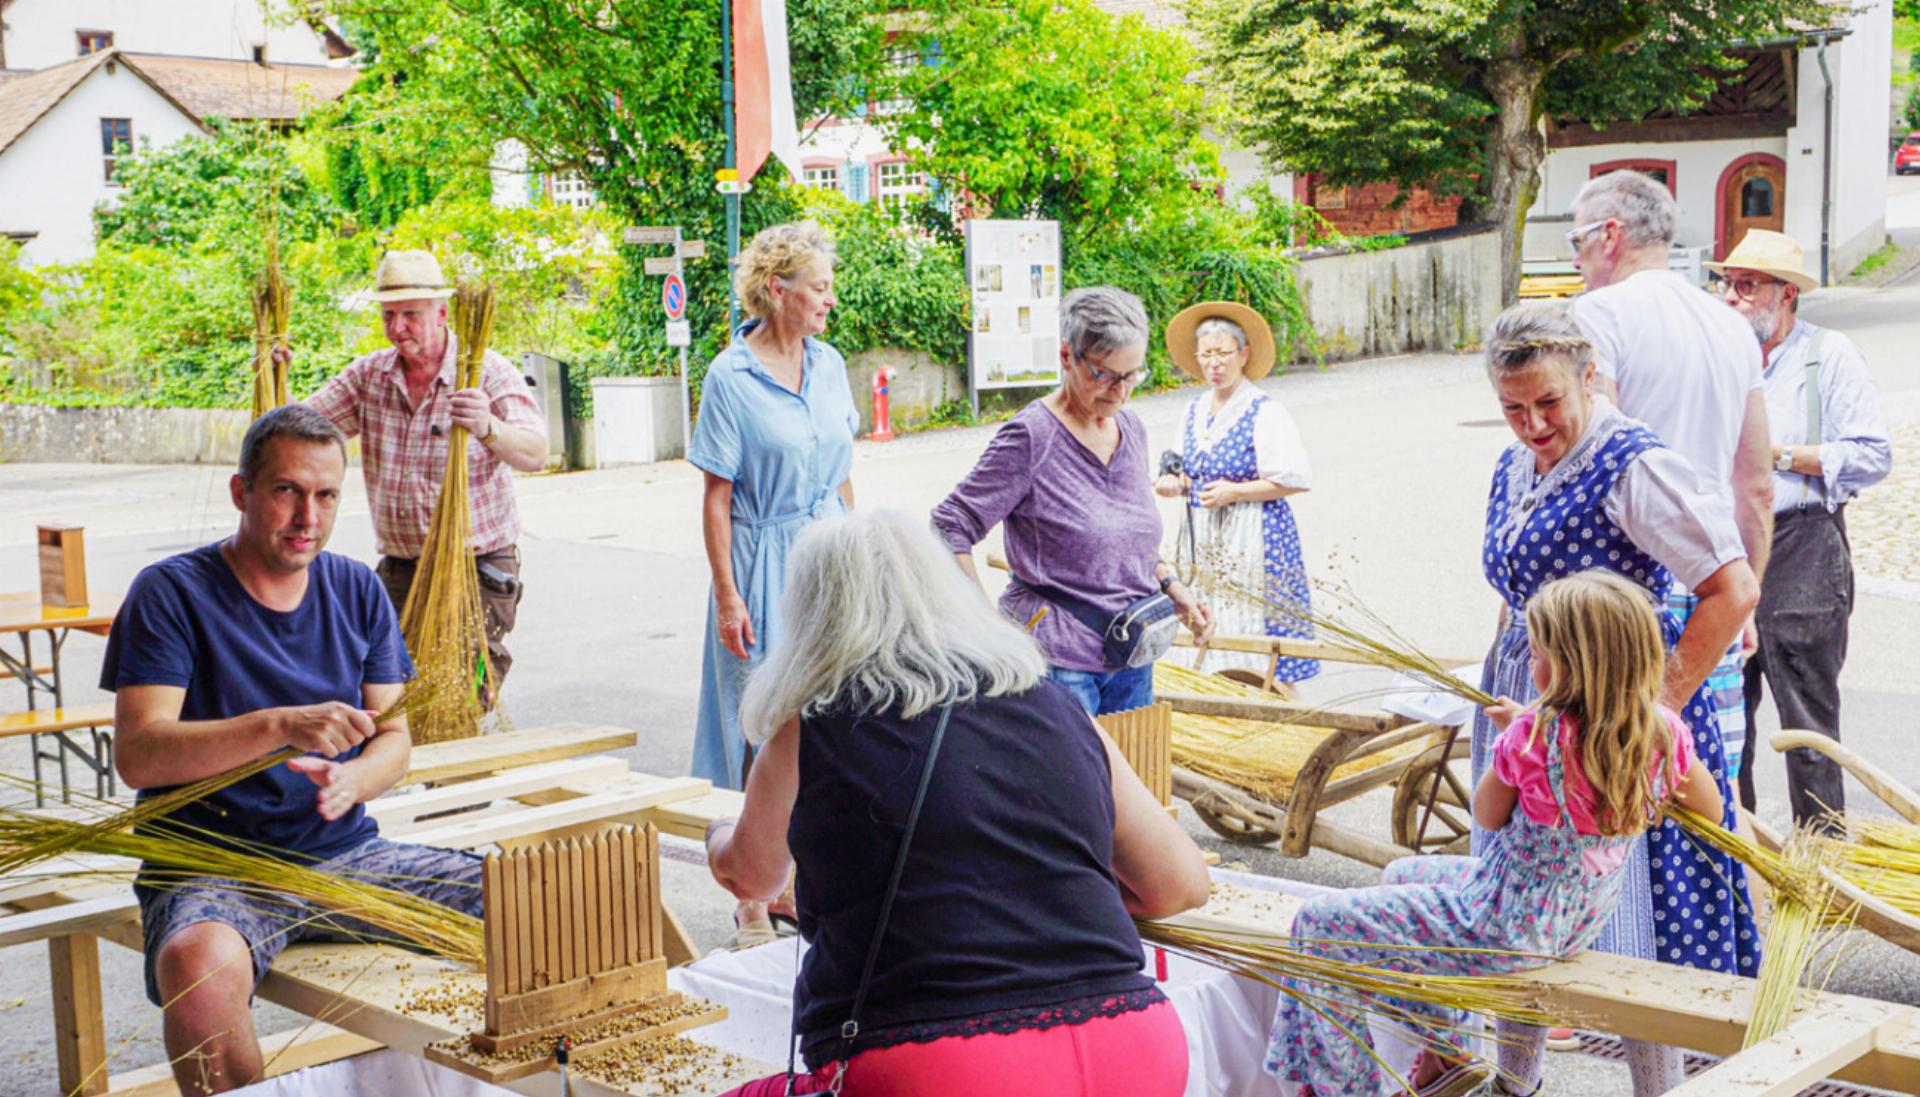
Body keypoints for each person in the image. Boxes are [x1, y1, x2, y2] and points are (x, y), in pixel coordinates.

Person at [705, 510, 1211, 1097]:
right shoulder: (1056, 706)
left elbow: (753, 874)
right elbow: (1179, 884)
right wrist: (1031, 889)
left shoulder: (813, 722)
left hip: (944, 1067)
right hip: (1135, 1048)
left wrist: (718, 836)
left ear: (816, 615)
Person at [102, 406, 483, 1094]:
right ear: (240, 491)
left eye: (327, 494)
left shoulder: (356, 587)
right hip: (213, 869)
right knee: (197, 965)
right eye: (286, 490)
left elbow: (395, 734)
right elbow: (141, 752)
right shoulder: (172, 593)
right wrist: (278, 725)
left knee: (527, 897)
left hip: (345, 856)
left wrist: (358, 779)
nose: (308, 514)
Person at [1268, 571, 1724, 1097]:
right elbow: (1708, 810)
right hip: (1574, 920)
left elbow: (1485, 815)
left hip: (1503, 928)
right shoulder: (1660, 732)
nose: (1530, 664)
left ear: (1572, 666)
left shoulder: (1533, 735)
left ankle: (1342, 1088)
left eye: (1537, 654)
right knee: (1402, 873)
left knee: (1318, 924)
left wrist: (1514, 737)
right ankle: (1444, 1056)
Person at [1469, 302, 1760, 1096]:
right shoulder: (1512, 464)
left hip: (1614, 714)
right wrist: (1507, 682)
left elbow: (1731, 589)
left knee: (1629, 916)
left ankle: (1656, 1088)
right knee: (1517, 898)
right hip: (1533, 695)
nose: (1532, 423)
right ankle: (1513, 1078)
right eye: (1513, 407)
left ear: (1588, 377)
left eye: (1548, 402)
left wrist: (1643, 715)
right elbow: (1518, 586)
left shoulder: (1634, 463)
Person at [1568, 170, 1774, 786]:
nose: (1575, 260)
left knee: (1619, 782)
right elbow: (1757, 483)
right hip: (1716, 582)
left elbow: (1586, 464)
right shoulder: (1729, 324)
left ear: (1610, 234)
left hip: (1628, 584)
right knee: (1705, 785)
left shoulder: (1597, 315)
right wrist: (1746, 602)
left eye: (1577, 242)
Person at [687, 221, 859, 942]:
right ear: (776, 290)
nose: (828, 298)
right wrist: (728, 594)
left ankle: (800, 881)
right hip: (761, 560)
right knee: (760, 725)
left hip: (828, 557)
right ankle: (753, 892)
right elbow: (716, 497)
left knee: (829, 724)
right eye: (818, 287)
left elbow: (846, 470)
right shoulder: (731, 376)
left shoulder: (830, 364)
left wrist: (862, 553)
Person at [932, 286, 1214, 716]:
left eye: (1133, 375)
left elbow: (1131, 542)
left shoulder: (1131, 430)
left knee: (1130, 778)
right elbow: (950, 524)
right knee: (1075, 783)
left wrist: (1174, 589)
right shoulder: (1031, 437)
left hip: (1132, 651)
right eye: (1105, 375)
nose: (1120, 392)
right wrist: (987, 628)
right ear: (1067, 356)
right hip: (1058, 662)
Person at [295, 249, 548, 691]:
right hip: (400, 567)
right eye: (388, 315)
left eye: (410, 314)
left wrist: (489, 427)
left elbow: (535, 452)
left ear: (442, 314)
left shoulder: (485, 372)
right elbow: (297, 429)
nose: (397, 328)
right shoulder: (369, 377)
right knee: (379, 684)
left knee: (460, 687)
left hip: (476, 566)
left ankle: (460, 751)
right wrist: (277, 377)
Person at [1712, 230, 1893, 832]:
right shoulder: (1721, 357)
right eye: (1727, 284)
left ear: (1785, 294)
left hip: (1804, 544)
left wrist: (1781, 454)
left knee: (1806, 721)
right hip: (1728, 547)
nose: (1732, 299)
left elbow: (1871, 454)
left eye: (1747, 286)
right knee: (1723, 714)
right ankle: (1738, 853)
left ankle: (1821, 858)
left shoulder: (1829, 354)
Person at [1153, 301, 1317, 692]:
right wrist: (1174, 484)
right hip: (1203, 540)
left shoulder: (1264, 411)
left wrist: (1236, 491)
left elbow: (1295, 478)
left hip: (1254, 537)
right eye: (1206, 355)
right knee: (1205, 622)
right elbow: (1179, 470)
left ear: (1243, 354)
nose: (1215, 363)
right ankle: (1212, 704)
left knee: (1256, 633)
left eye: (1223, 353)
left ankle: (1271, 708)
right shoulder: (1193, 411)